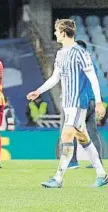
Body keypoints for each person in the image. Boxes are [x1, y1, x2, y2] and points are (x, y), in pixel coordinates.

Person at [27, 19, 107, 188]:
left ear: (63, 32)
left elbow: (92, 77)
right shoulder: (60, 53)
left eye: (56, 30)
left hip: (79, 102)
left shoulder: (80, 52)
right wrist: (39, 91)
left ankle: (58, 178)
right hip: (68, 104)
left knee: (66, 135)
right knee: (83, 138)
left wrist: (99, 102)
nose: (55, 33)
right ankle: (102, 174)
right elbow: (55, 77)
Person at [61, 40, 104, 169]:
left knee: (70, 130)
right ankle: (96, 161)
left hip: (78, 101)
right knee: (92, 133)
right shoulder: (92, 64)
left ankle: (72, 161)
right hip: (91, 101)